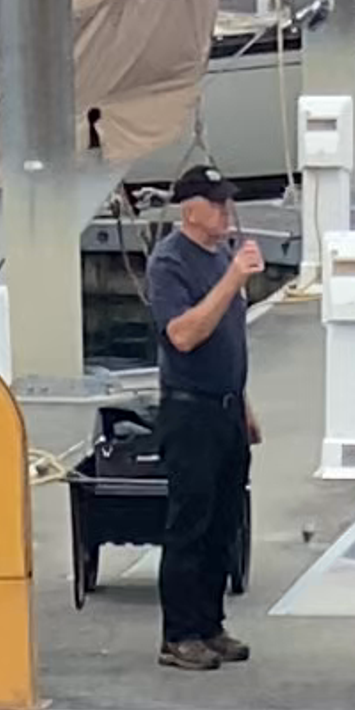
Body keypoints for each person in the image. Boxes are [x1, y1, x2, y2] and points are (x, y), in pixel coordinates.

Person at [143, 163, 263, 672]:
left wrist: (244, 403)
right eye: (215, 203)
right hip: (189, 410)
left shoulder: (219, 259)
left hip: (226, 408)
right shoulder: (169, 264)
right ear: (190, 210)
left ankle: (210, 623)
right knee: (189, 523)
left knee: (224, 521)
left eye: (226, 201)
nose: (225, 211)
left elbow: (229, 338)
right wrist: (233, 278)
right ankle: (179, 634)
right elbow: (184, 335)